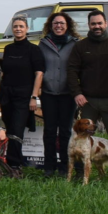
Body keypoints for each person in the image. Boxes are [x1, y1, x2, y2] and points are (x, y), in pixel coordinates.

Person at [67, 10, 108, 178]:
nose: (96, 26)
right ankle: (80, 173)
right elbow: (72, 71)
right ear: (88, 25)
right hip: (87, 102)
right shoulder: (80, 47)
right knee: (80, 138)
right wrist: (77, 93)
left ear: (106, 24)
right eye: (93, 24)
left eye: (99, 23)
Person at [0, 14, 45, 175]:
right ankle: (5, 162)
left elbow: (39, 74)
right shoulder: (8, 49)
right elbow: (5, 72)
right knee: (8, 128)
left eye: (21, 26)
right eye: (15, 26)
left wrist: (34, 96)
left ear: (27, 29)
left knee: (17, 130)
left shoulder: (34, 49)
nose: (18, 29)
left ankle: (15, 166)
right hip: (7, 95)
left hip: (24, 96)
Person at [39, 12, 79, 177]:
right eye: (55, 23)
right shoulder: (43, 44)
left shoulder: (75, 44)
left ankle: (65, 166)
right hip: (48, 93)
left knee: (65, 131)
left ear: (67, 25)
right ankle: (49, 166)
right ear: (51, 25)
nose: (58, 26)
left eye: (62, 23)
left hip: (67, 94)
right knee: (49, 131)